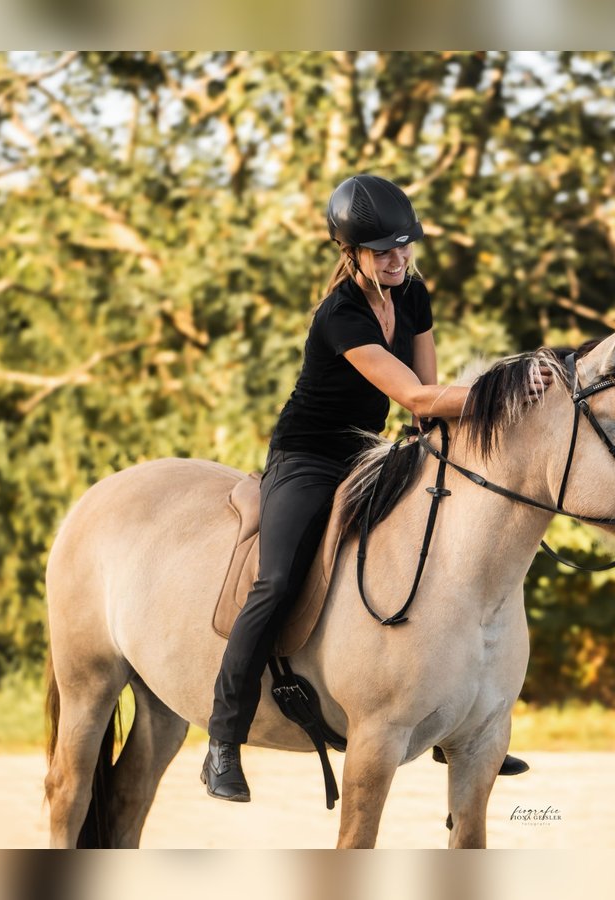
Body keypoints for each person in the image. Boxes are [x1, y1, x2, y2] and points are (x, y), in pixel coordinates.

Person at [203, 174, 538, 801]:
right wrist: (514, 389)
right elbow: (410, 391)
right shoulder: (341, 315)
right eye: (382, 250)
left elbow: (428, 404)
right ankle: (223, 738)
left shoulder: (412, 294)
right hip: (309, 456)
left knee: (450, 541)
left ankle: (460, 718)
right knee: (276, 580)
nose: (397, 258)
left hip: (373, 451)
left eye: (404, 246)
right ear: (349, 252)